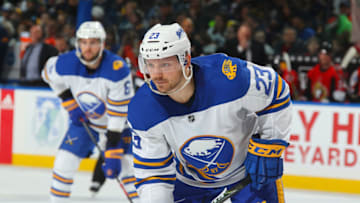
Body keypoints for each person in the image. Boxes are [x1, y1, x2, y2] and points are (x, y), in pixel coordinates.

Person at [128, 23, 292, 203]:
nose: (156, 75)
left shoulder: (229, 77)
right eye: (150, 64)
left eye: (165, 64)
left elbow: (276, 89)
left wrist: (269, 145)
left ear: (186, 60)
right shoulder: (143, 108)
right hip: (189, 182)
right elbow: (153, 174)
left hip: (248, 173)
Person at [41, 21, 138, 203]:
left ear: (102, 44)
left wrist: (112, 148)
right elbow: (47, 74)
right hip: (87, 123)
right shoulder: (65, 63)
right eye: (84, 42)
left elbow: (118, 113)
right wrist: (69, 102)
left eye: (93, 42)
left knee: (127, 172)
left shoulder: (117, 69)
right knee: (63, 163)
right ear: (78, 43)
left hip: (119, 127)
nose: (88, 47)